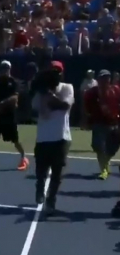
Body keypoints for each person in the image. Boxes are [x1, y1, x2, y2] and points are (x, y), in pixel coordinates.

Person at [31, 61, 73, 214]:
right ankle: (40, 189)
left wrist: (50, 95)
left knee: (57, 173)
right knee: (41, 172)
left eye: (58, 71)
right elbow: (37, 109)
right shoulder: (40, 92)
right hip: (43, 138)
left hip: (61, 137)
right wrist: (42, 91)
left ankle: (51, 201)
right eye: (52, 71)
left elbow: (65, 106)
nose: (55, 74)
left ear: (62, 73)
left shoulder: (67, 87)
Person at [83, 69, 120, 181]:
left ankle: (106, 161)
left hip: (114, 123)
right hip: (98, 123)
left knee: (113, 148)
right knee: (99, 146)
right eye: (103, 78)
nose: (106, 80)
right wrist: (86, 120)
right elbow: (86, 108)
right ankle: (103, 169)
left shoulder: (116, 90)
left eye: (108, 77)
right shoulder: (91, 93)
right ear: (98, 79)